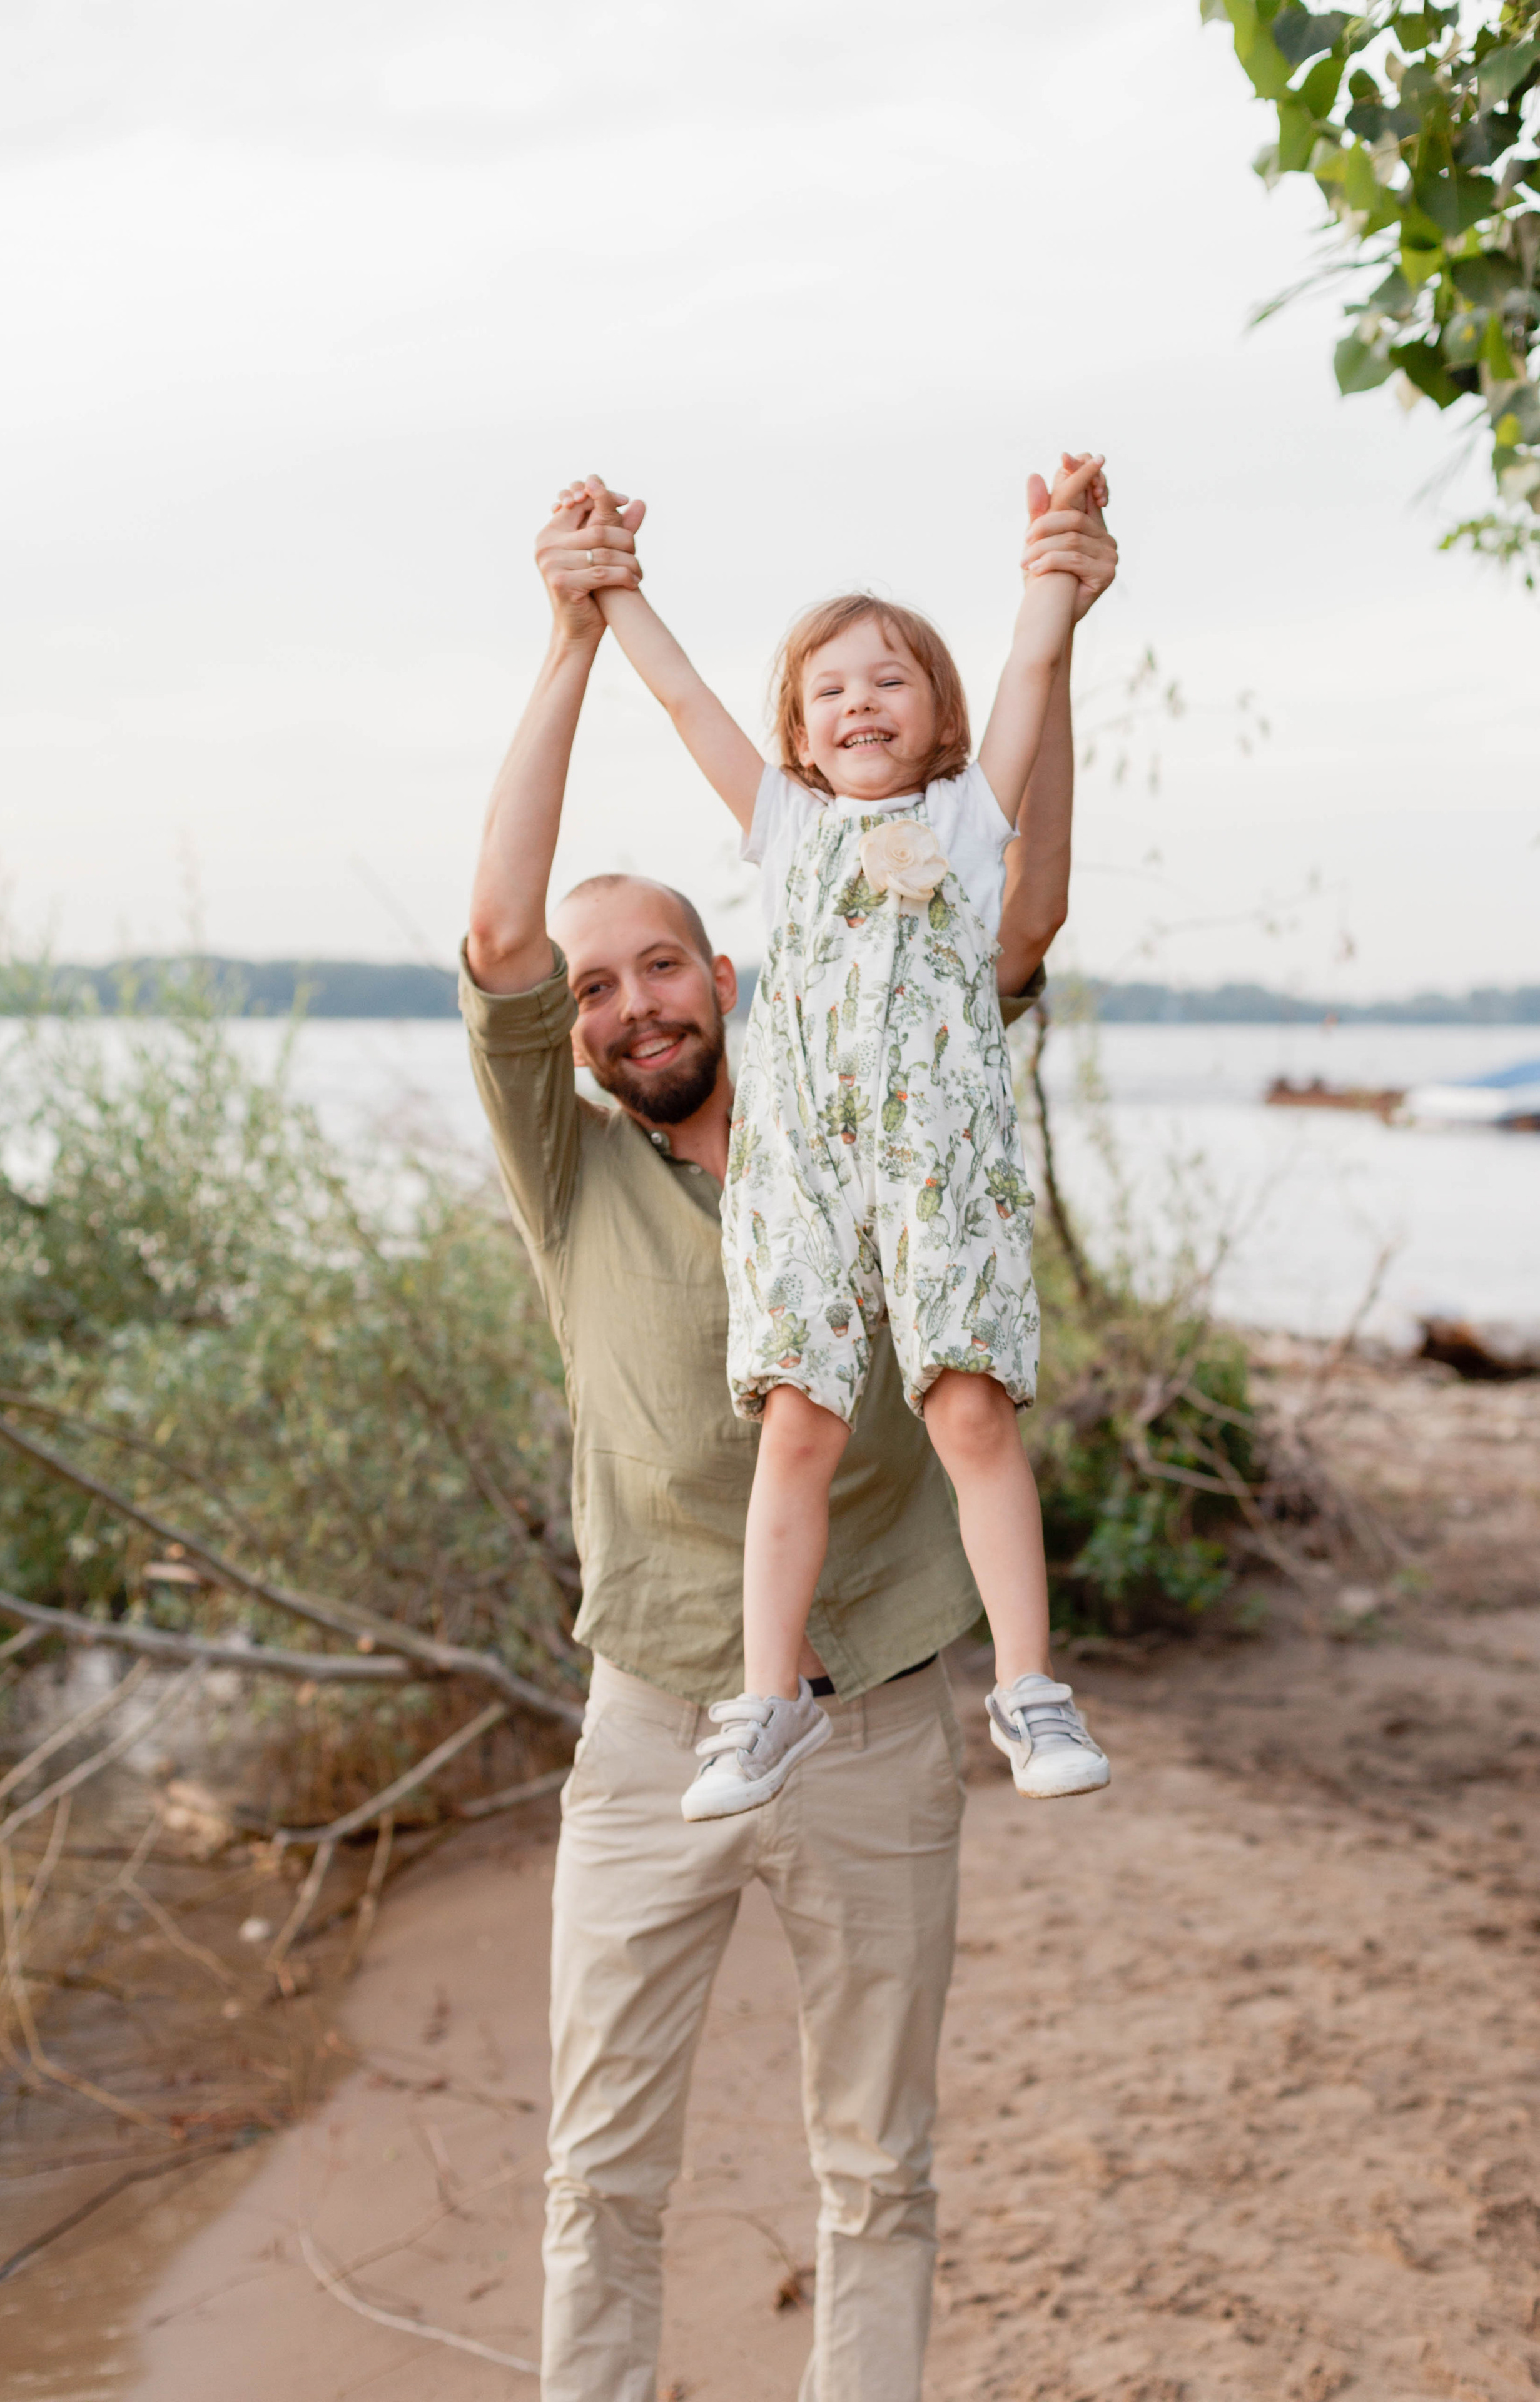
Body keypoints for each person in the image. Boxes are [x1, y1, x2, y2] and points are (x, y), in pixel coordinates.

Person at [463, 469, 1115, 2402]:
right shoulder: (566, 1174)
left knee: (877, 2172)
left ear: (730, 969)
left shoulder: (870, 1034)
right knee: (601, 2171)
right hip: (658, 1719)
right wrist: (580, 633)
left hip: (891, 1709)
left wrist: (1052, 613)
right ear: (572, 1035)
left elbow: (1018, 884)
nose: (633, 1002)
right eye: (597, 990)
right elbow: (504, 921)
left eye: (663, 962)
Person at [567, 466, 1112, 1819]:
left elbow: (1035, 661)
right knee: (796, 1428)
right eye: (829, 691)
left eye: (890, 682)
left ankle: (1029, 1692)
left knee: (967, 1410)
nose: (859, 702)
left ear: (937, 722)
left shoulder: (966, 825)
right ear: (800, 738)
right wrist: (616, 588)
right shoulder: (785, 827)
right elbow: (685, 695)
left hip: (941, 1172)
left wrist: (1054, 563)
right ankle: (766, 1704)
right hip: (800, 1177)